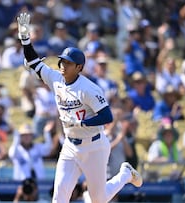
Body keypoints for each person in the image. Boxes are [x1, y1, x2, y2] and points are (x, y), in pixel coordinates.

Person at [16, 12, 142, 203]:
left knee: (98, 200)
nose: (63, 65)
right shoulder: (55, 79)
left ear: (79, 67)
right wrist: (25, 39)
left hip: (94, 146)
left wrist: (82, 122)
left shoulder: (89, 88)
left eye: (68, 63)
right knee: (59, 198)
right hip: (70, 146)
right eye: (62, 61)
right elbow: (33, 61)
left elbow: (107, 116)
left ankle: (124, 174)